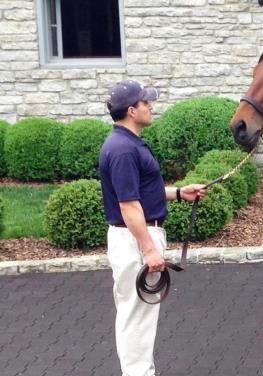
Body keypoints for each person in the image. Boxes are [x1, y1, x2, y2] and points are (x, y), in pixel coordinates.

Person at [98, 80, 206, 376]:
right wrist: (148, 248)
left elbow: (142, 191)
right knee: (137, 318)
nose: (151, 106)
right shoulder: (122, 150)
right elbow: (128, 206)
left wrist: (179, 192)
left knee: (136, 315)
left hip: (136, 236)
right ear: (132, 111)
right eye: (146, 103)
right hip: (136, 239)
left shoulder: (126, 143)